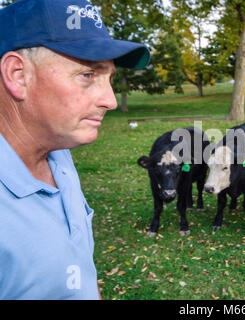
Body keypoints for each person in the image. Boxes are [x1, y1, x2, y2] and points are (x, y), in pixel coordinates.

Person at [0, 0, 150, 299]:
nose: (110, 101)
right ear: (18, 74)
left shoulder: (59, 155)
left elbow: (79, 268)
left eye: (108, 78)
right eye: (87, 75)